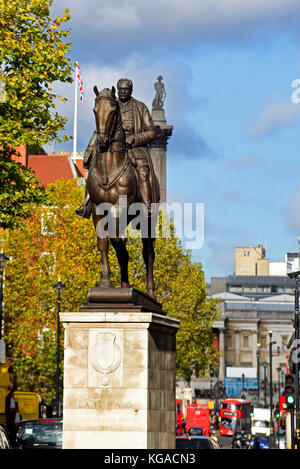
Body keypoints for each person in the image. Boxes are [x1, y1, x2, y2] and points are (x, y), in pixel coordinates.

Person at [76, 78, 156, 218]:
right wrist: (90, 149)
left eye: (126, 89)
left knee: (143, 171)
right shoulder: (111, 104)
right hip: (111, 144)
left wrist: (134, 139)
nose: (123, 92)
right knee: (95, 165)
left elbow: (151, 132)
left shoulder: (140, 107)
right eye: (120, 89)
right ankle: (87, 202)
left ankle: (146, 204)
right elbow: (100, 128)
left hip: (134, 147)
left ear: (131, 90)